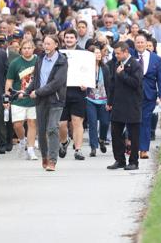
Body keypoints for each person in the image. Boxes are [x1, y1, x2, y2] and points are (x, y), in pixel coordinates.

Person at [24, 34, 68, 171]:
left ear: (56, 45)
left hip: (55, 99)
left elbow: (56, 83)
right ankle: (45, 156)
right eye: (44, 43)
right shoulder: (40, 59)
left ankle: (53, 161)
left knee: (52, 128)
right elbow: (35, 79)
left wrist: (37, 92)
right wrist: (27, 91)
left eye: (49, 44)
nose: (46, 46)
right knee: (42, 130)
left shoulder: (62, 61)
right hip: (41, 99)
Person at [106, 41, 143, 171]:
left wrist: (122, 75)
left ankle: (133, 161)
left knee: (133, 135)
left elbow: (136, 83)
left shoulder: (135, 65)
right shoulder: (116, 64)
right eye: (115, 53)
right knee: (116, 133)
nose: (116, 56)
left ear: (126, 52)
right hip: (118, 104)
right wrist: (109, 102)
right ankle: (120, 159)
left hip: (132, 105)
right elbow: (112, 85)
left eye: (118, 53)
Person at [134, 33, 161, 159]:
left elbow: (160, 78)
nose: (140, 45)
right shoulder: (131, 57)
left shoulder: (155, 59)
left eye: (142, 42)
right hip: (133, 95)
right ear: (135, 43)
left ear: (146, 43)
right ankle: (133, 147)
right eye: (138, 42)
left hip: (149, 94)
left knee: (145, 122)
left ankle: (143, 149)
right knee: (135, 121)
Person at [5, 39, 38, 161]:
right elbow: (9, 80)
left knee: (32, 123)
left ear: (33, 48)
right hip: (18, 98)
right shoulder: (15, 63)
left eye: (29, 48)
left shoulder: (38, 61)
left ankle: (30, 149)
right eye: (24, 48)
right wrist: (7, 97)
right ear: (20, 50)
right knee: (17, 124)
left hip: (33, 98)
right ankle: (22, 140)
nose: (27, 50)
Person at [58, 30, 88, 161]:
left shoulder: (84, 54)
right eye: (67, 37)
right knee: (61, 124)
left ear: (76, 39)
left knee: (77, 122)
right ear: (63, 39)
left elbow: (88, 71)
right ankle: (64, 142)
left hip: (78, 92)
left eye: (71, 37)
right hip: (61, 93)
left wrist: (86, 83)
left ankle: (78, 149)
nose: (69, 39)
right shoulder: (58, 54)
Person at [85, 41, 111, 157]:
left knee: (105, 122)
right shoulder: (86, 68)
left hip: (103, 99)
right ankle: (93, 147)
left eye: (99, 53)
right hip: (90, 98)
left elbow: (109, 85)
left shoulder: (105, 68)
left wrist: (110, 101)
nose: (98, 55)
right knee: (92, 123)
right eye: (96, 53)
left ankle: (102, 139)